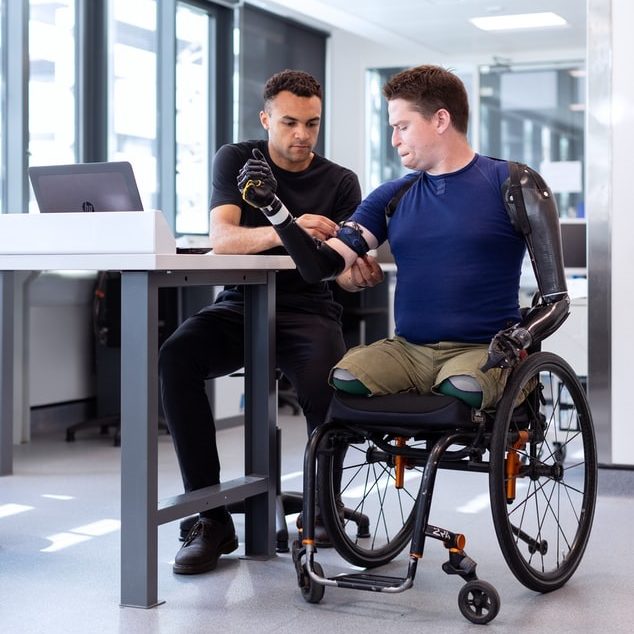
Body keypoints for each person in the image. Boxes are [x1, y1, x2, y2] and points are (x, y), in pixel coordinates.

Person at [238, 64, 570, 412]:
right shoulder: (391, 197)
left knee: (462, 387)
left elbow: (557, 300)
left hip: (480, 350)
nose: (394, 140)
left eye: (402, 127)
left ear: (440, 121)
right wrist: (274, 209)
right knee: (344, 379)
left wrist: (520, 338)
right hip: (407, 352)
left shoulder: (514, 184)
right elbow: (320, 266)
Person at [158, 69, 381, 575]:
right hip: (242, 303)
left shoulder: (341, 181)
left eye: (312, 123)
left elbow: (341, 276)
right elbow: (223, 239)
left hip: (309, 309)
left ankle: (324, 507)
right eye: (289, 122)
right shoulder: (238, 161)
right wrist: (288, 227)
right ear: (266, 119)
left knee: (330, 386)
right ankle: (209, 518)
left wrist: (355, 278)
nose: (301, 135)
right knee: (177, 358)